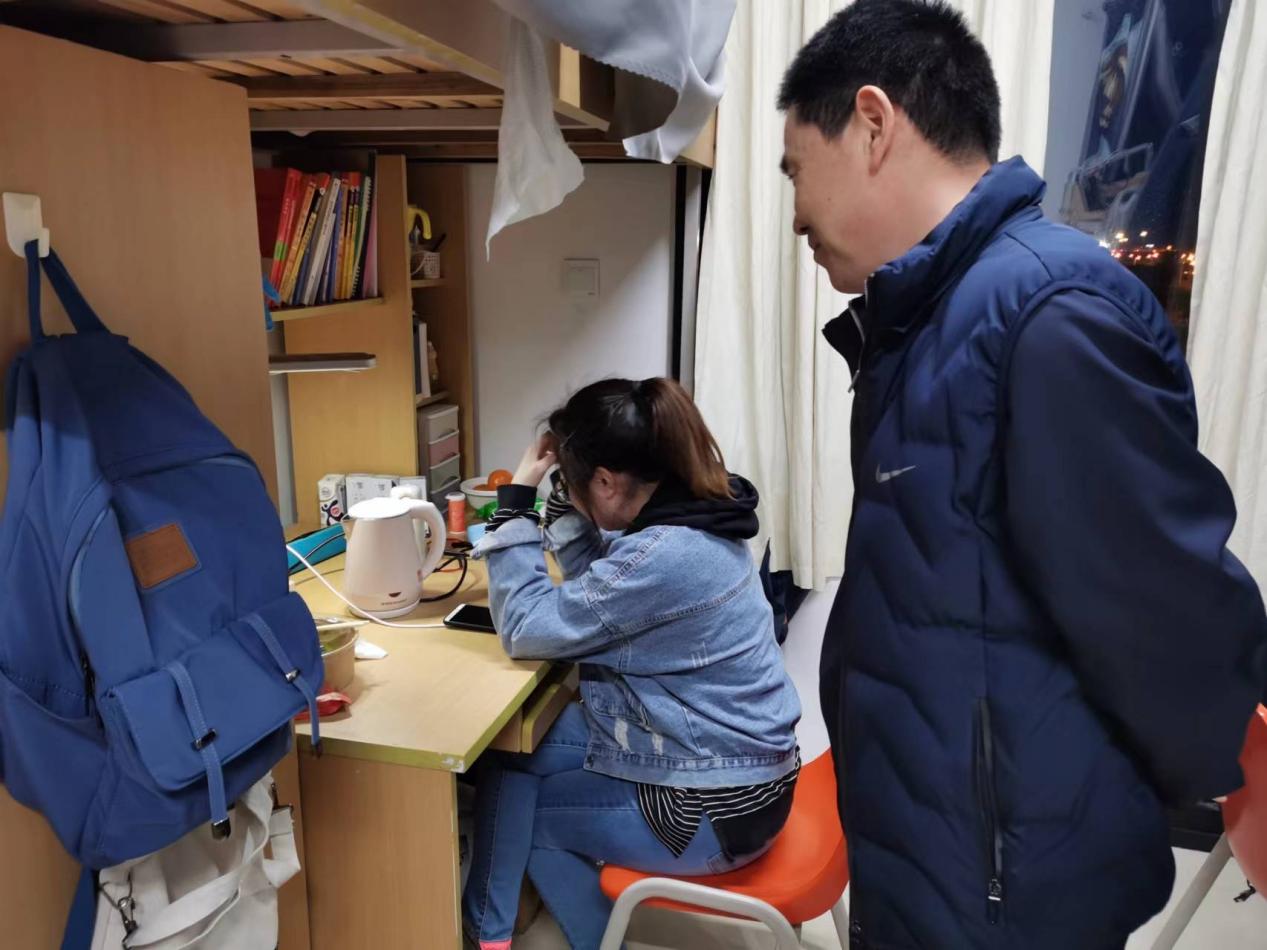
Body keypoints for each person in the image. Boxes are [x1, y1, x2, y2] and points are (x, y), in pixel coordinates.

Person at [777, 1, 1267, 947]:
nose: (795, 212)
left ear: (872, 124)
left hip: (1003, 885)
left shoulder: (1044, 312)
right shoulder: (933, 317)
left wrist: (1109, 799)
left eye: (797, 169)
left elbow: (1168, 615)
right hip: (942, 853)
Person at [461, 377, 801, 950]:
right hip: (728, 756)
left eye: (577, 483)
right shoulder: (698, 509)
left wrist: (516, 502)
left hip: (720, 803)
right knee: (512, 749)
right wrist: (568, 496)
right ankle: (489, 934)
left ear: (606, 481)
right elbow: (607, 589)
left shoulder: (664, 556)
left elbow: (524, 627)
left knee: (537, 823)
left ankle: (543, 937)